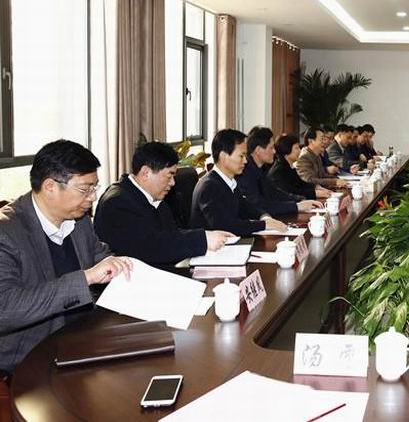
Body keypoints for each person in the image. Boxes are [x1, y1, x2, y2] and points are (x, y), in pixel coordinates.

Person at [0, 140, 133, 373]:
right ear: (50, 186)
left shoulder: (79, 220)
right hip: (31, 358)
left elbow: (101, 258)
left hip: (84, 339)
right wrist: (87, 277)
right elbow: (5, 309)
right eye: (85, 189)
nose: (93, 197)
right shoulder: (7, 232)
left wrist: (122, 267)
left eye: (94, 187)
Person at [95, 142, 234, 265]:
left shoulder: (152, 196)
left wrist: (207, 235)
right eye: (169, 175)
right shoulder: (117, 203)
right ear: (146, 173)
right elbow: (151, 246)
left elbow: (171, 233)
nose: (173, 183)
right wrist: (203, 240)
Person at [190, 129, 288, 235]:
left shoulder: (229, 181)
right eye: (241, 156)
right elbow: (224, 226)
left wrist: (264, 216)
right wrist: (263, 225)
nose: (245, 161)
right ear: (224, 156)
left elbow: (243, 206)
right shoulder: (209, 186)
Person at [238, 127, 322, 215]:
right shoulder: (245, 172)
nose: (274, 151)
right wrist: (296, 206)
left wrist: (300, 200)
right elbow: (258, 204)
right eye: (271, 148)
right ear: (258, 150)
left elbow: (274, 192)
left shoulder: (262, 168)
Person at [269, 134, 333, 199]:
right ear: (287, 150)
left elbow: (301, 183)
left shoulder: (289, 166)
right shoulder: (278, 171)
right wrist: (315, 193)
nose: (300, 151)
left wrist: (316, 187)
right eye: (296, 148)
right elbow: (290, 192)